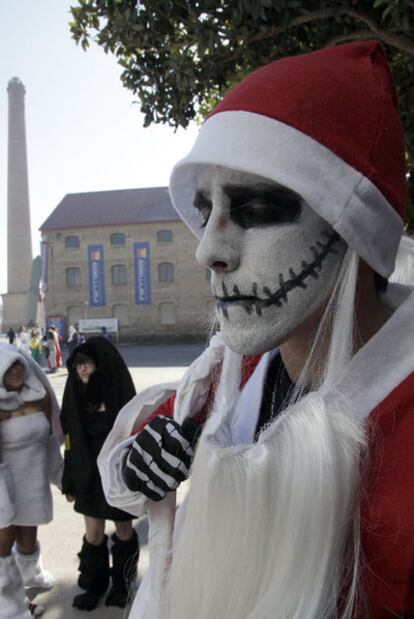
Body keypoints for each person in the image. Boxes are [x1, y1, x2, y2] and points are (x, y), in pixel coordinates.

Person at [98, 41, 414, 619]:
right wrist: (144, 458)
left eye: (256, 208)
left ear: (352, 230)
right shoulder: (238, 365)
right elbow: (160, 432)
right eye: (206, 208)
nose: (209, 250)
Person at [60, 337, 139, 611]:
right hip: (88, 477)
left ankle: (122, 585)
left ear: (100, 365)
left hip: (116, 475)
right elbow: (70, 442)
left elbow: (133, 437)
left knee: (123, 530)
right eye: (78, 364)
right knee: (93, 534)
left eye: (87, 364)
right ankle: (93, 585)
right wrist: (69, 480)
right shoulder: (74, 396)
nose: (82, 370)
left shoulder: (116, 395)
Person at [0, 344, 63, 618]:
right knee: (3, 550)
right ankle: (11, 608)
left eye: (18, 364)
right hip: (3, 485)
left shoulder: (39, 395)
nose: (14, 370)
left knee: (27, 540)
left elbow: (51, 441)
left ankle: (32, 574)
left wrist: (62, 478)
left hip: (32, 481)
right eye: (7, 367)